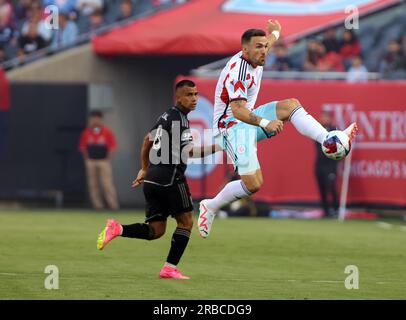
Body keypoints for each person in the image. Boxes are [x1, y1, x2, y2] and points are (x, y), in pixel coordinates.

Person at [197, 20, 358, 238]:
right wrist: (266, 123)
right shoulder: (238, 72)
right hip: (231, 127)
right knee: (253, 184)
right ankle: (211, 206)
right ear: (245, 49)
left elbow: (267, 43)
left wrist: (274, 33)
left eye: (265, 46)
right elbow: (237, 111)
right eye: (259, 47)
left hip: (245, 121)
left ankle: (328, 139)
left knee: (290, 105)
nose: (264, 51)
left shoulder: (257, 53)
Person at [96, 80, 220, 279]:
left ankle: (117, 229)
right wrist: (218, 146)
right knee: (186, 222)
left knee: (156, 230)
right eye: (189, 94)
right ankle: (169, 268)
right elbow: (190, 152)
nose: (194, 98)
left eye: (196, 94)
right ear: (178, 97)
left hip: (153, 179)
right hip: (170, 178)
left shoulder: (166, 116)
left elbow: (147, 141)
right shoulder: (179, 119)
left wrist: (145, 169)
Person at [79, 110, 119, 210]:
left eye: (97, 118)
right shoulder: (86, 132)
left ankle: (113, 205)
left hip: (103, 161)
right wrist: (87, 159)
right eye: (93, 118)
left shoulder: (106, 132)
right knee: (93, 184)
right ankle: (98, 206)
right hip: (91, 161)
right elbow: (83, 147)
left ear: (101, 119)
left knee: (107, 184)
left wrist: (108, 158)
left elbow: (112, 146)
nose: (95, 121)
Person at [314, 111, 339, 218]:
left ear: (330, 118)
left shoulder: (335, 131)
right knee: (322, 189)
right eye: (321, 117)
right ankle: (326, 211)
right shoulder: (318, 130)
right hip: (319, 164)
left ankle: (335, 210)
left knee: (331, 187)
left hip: (330, 165)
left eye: (325, 117)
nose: (322, 119)